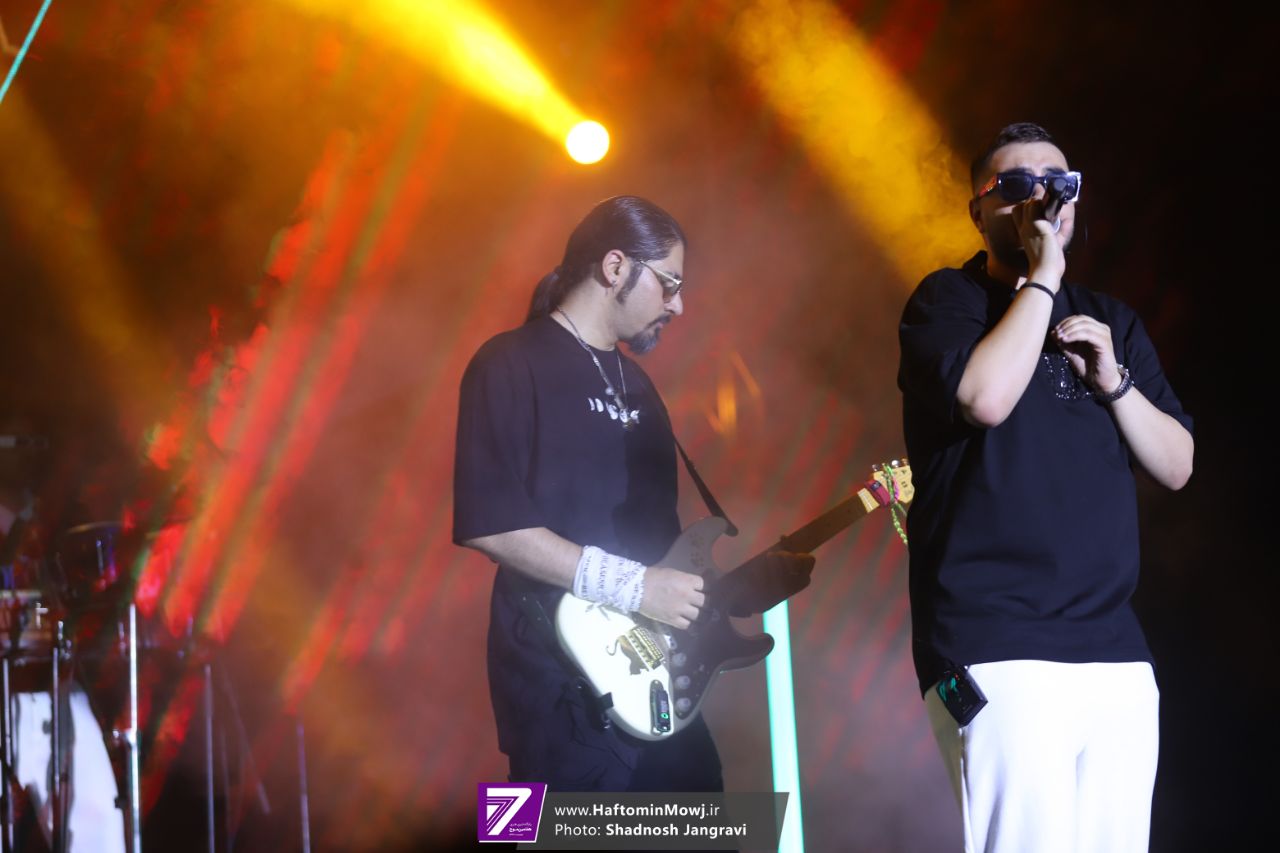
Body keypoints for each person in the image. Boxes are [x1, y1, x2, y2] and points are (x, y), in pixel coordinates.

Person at [897, 123, 1194, 852]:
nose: (1041, 199)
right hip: (996, 645)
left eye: (1058, 184)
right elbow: (985, 399)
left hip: (1115, 652)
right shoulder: (948, 301)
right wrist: (1042, 277)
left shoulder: (1112, 320)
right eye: (1015, 186)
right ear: (978, 210)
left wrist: (1114, 382)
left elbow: (1177, 463)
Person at [454, 195, 812, 792]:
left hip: (655, 695)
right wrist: (637, 587)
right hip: (557, 689)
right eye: (669, 283)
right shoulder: (508, 362)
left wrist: (739, 591)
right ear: (615, 267)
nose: (678, 304)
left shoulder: (639, 384)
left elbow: (662, 556)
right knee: (545, 830)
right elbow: (491, 524)